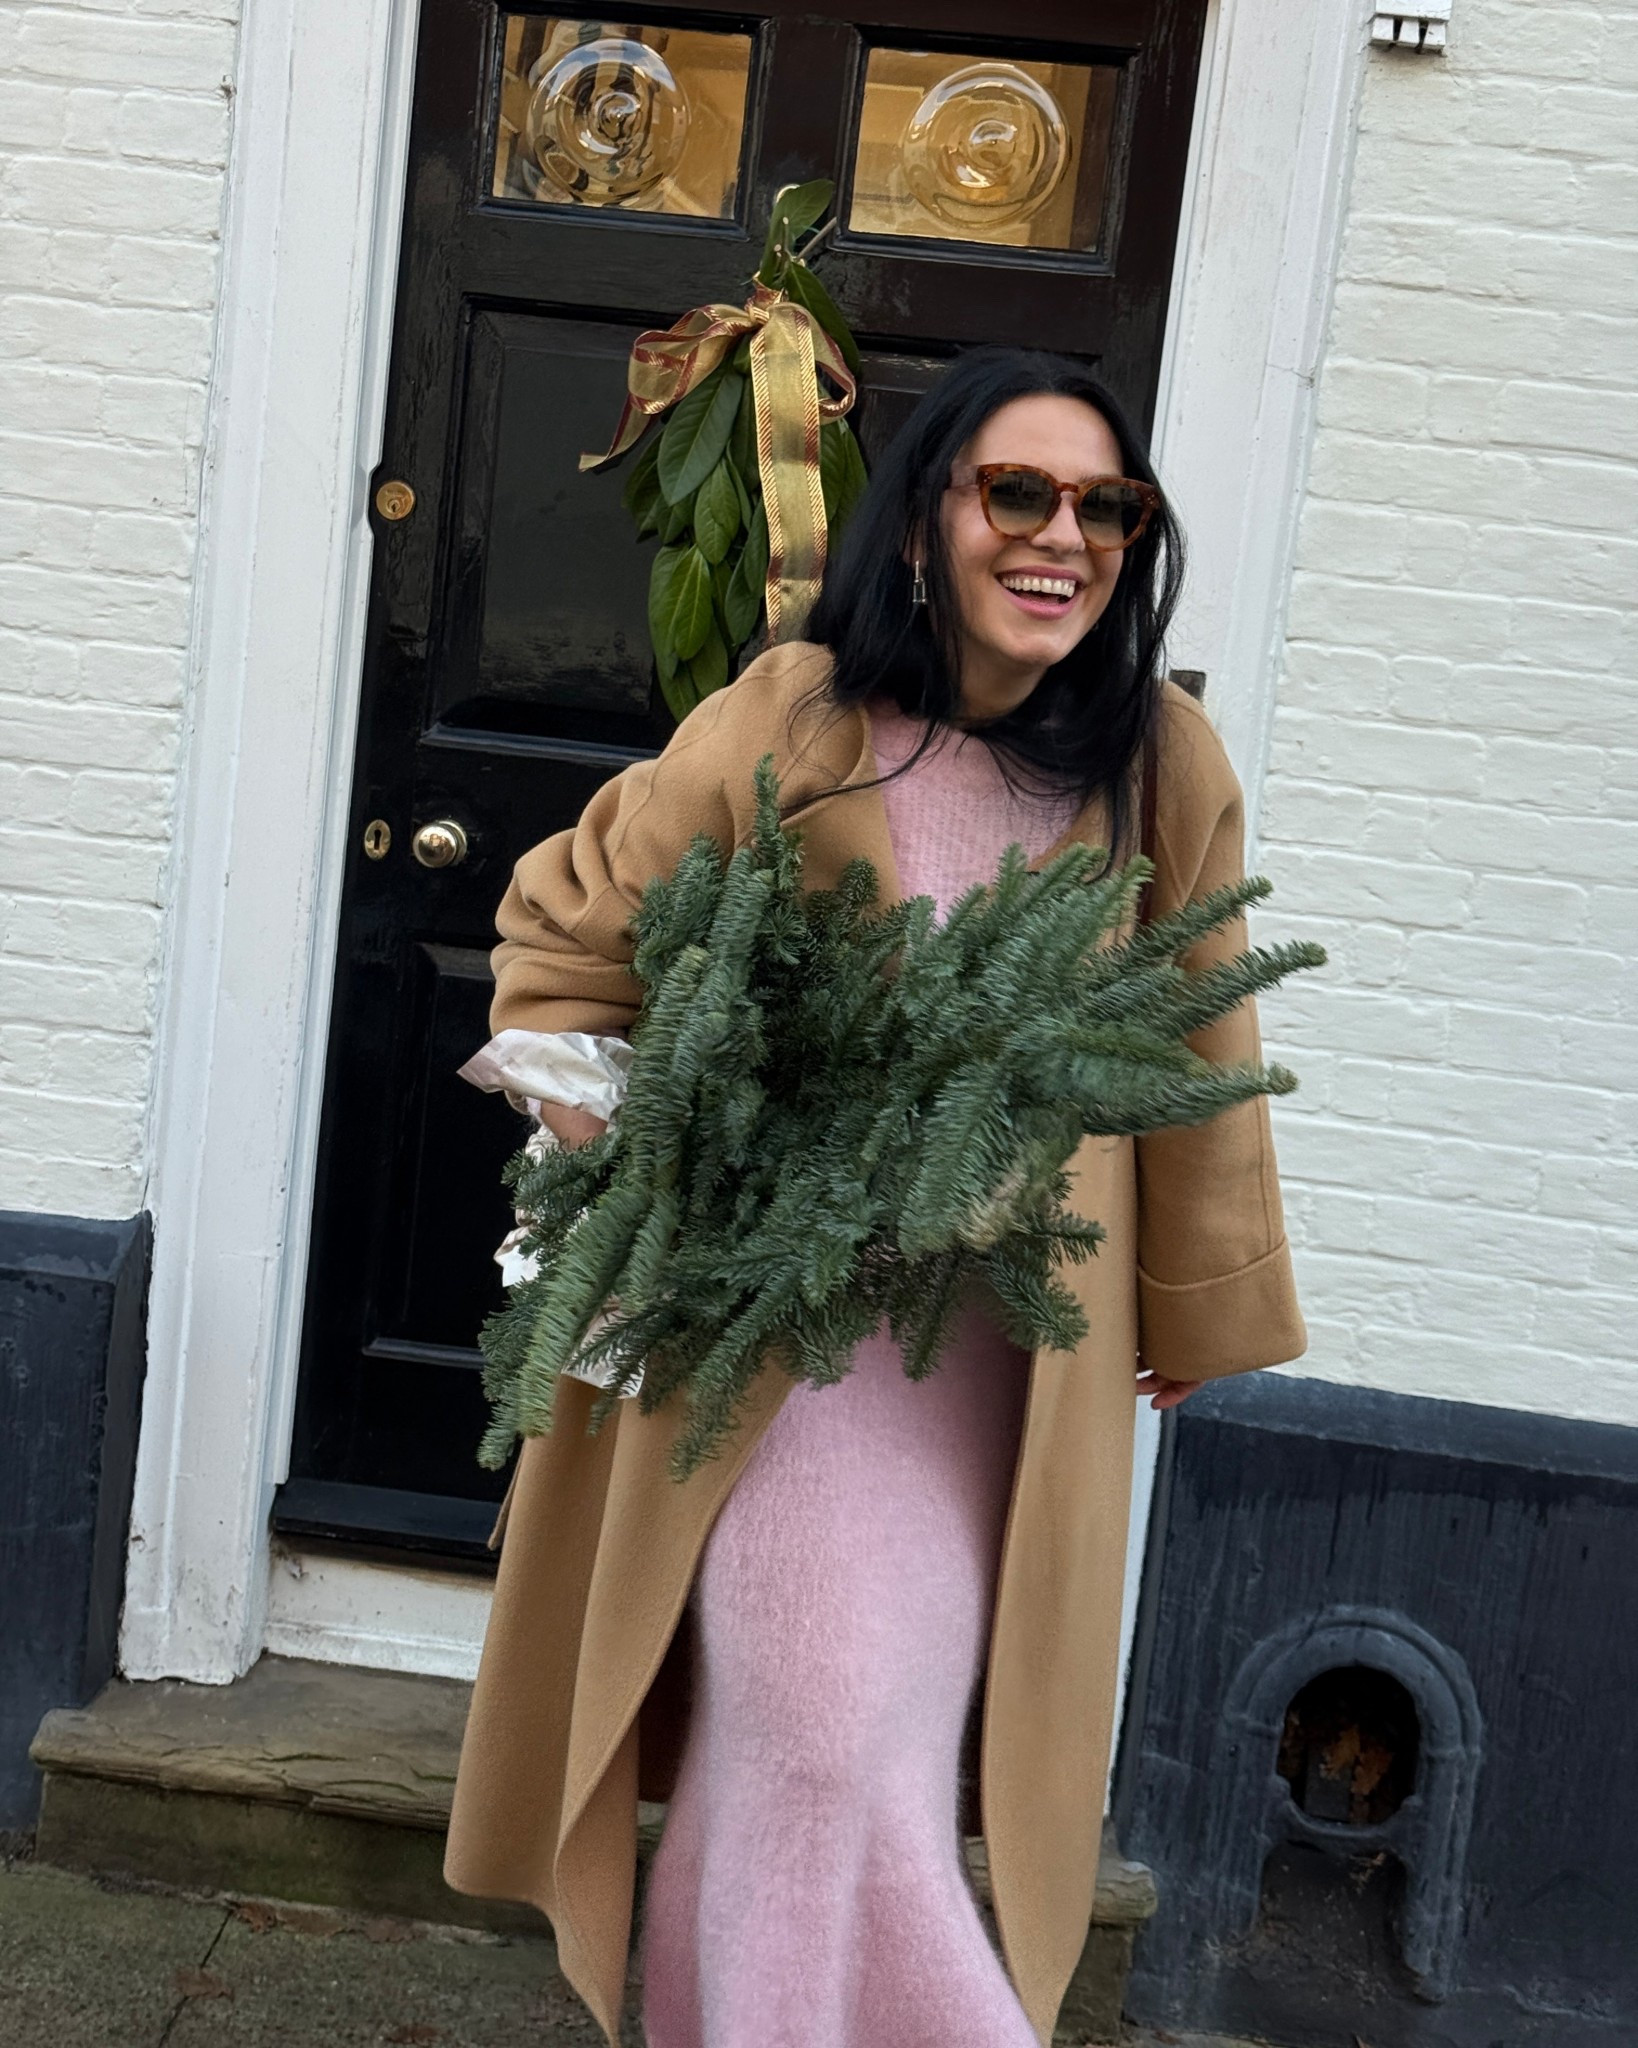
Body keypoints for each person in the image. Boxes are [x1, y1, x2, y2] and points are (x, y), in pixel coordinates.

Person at [445, 347, 1307, 2047]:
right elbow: (567, 928)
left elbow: (1201, 1031)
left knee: (855, 1754)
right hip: (774, 1354)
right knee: (818, 1730)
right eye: (1018, 493)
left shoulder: (1157, 762)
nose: (1063, 535)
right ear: (921, 523)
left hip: (1007, 1365)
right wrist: (633, 1136)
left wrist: (1200, 1309)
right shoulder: (797, 717)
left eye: (1105, 507)